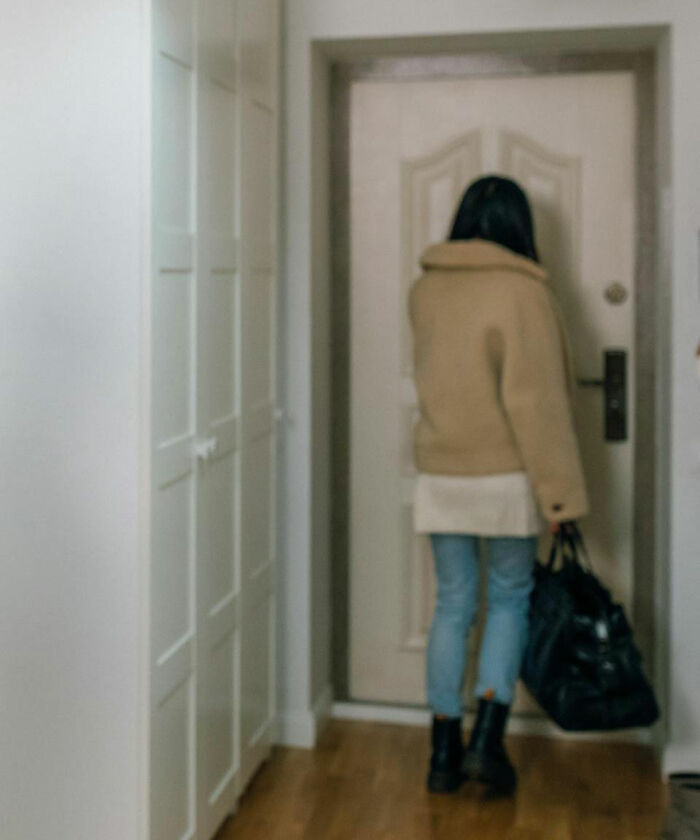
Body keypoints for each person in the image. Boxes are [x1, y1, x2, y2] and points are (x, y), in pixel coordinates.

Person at [407, 175, 589, 796]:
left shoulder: (424, 289)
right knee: (508, 601)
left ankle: (440, 756)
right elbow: (537, 407)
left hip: (441, 472)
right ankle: (486, 743)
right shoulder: (523, 292)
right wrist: (560, 497)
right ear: (518, 226)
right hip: (507, 477)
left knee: (453, 606)